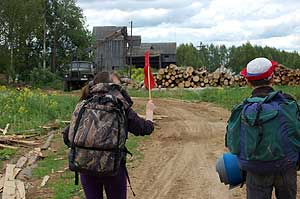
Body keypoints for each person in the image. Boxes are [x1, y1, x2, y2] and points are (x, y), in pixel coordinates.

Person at [64, 71, 155, 199]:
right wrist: (149, 112)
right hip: (113, 168)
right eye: (117, 85)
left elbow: (67, 137)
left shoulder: (84, 103)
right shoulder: (120, 106)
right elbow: (145, 128)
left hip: (86, 167)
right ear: (111, 86)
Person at [225, 57, 300, 199]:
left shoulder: (242, 110)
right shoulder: (288, 104)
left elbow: (233, 146)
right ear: (272, 78)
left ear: (247, 82)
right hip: (286, 168)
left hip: (256, 171)